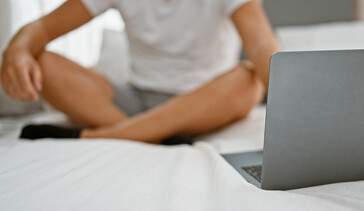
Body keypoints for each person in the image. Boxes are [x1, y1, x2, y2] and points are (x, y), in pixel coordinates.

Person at [0, 0, 280, 144]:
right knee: (44, 62)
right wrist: (16, 50)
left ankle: (105, 137)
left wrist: (292, 107)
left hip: (205, 104)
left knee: (249, 80)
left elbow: (260, 45)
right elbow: (42, 29)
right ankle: (153, 134)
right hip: (134, 102)